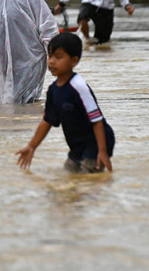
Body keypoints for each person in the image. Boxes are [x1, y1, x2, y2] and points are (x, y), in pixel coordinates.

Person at [15, 32, 114, 173]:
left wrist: (102, 151)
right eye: (50, 56)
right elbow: (47, 121)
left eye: (58, 57)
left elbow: (97, 120)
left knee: (88, 179)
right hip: (77, 145)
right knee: (68, 175)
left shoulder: (79, 87)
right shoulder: (53, 91)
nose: (52, 61)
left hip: (96, 143)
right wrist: (31, 146)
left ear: (73, 61)